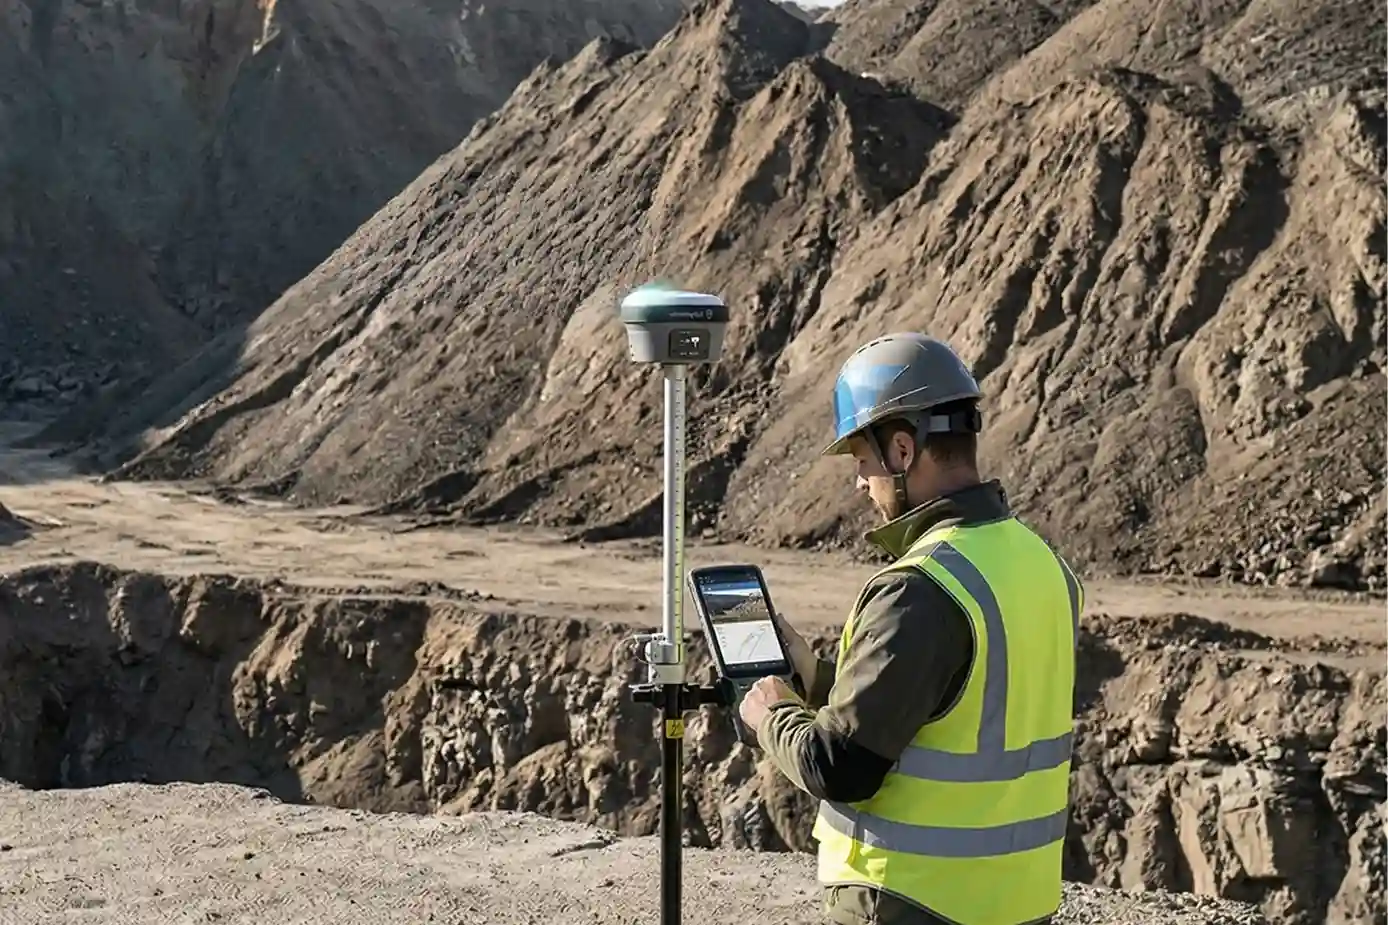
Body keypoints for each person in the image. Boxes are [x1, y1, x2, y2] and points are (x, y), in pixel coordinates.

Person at [738, 332, 1084, 925]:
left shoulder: (919, 588)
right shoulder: (1043, 564)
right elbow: (963, 709)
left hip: (916, 898)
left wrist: (771, 713)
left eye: (862, 461)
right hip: (1018, 901)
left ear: (902, 450)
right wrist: (820, 679)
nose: (858, 482)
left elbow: (839, 766)